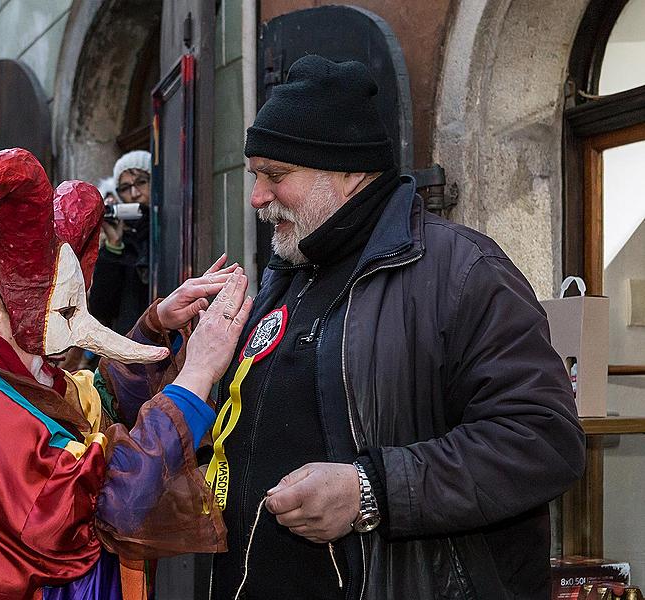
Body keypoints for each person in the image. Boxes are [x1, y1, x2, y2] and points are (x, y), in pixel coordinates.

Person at [0, 28, 252, 599]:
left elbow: (81, 401)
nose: (75, 330)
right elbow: (108, 500)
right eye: (63, 309)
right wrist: (197, 377)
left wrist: (156, 327)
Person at [208, 55, 586, 599]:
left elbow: (542, 441)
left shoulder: (465, 272)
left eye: (276, 175)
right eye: (255, 175)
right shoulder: (288, 273)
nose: (257, 196)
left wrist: (371, 491)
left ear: (349, 173)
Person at [89, 150, 152, 334]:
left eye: (141, 182)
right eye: (125, 188)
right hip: (132, 341)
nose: (134, 194)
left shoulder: (169, 228)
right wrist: (114, 245)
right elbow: (101, 309)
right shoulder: (121, 243)